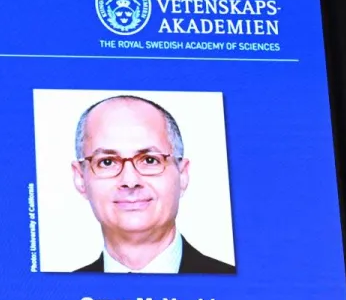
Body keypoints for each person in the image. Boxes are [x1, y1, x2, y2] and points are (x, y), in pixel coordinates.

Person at [69, 95, 234, 274]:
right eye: (107, 162)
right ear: (80, 178)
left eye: (149, 160)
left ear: (182, 174)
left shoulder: (234, 284)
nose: (130, 181)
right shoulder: (59, 293)